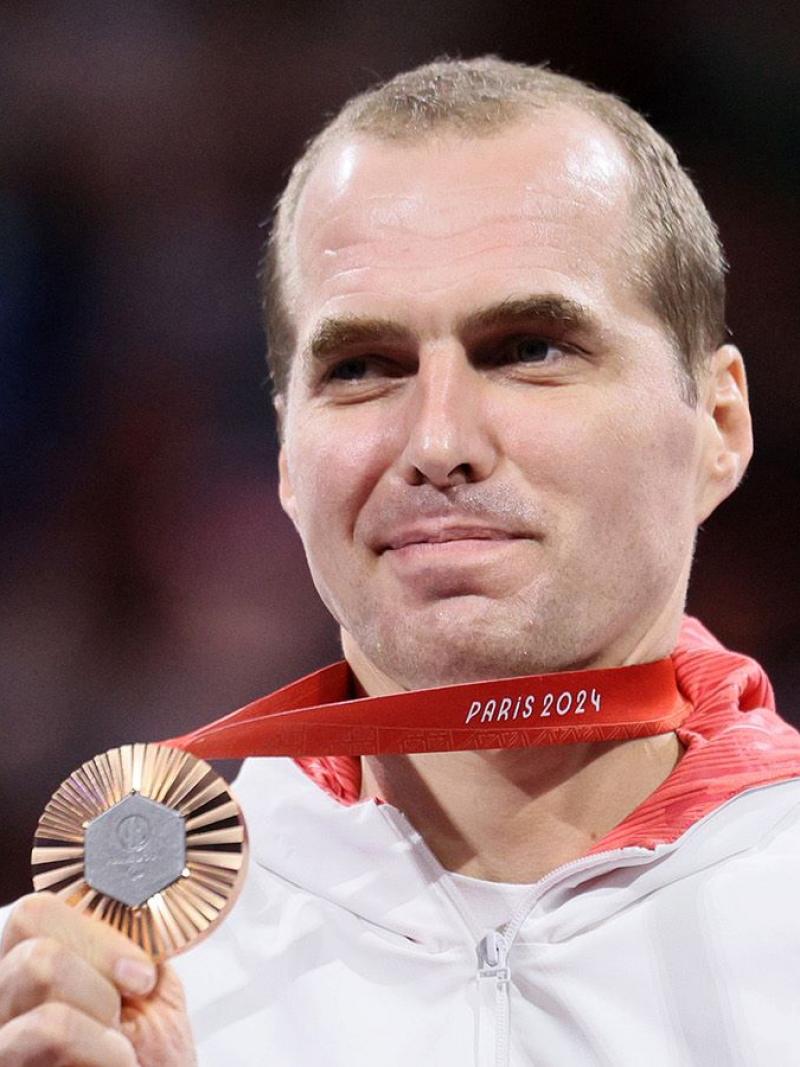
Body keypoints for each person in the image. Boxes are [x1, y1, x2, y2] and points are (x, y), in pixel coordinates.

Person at [1, 55, 799, 1067]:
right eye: (362, 367)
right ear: (286, 456)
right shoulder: (102, 987)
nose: (437, 439)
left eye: (528, 347)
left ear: (717, 424)